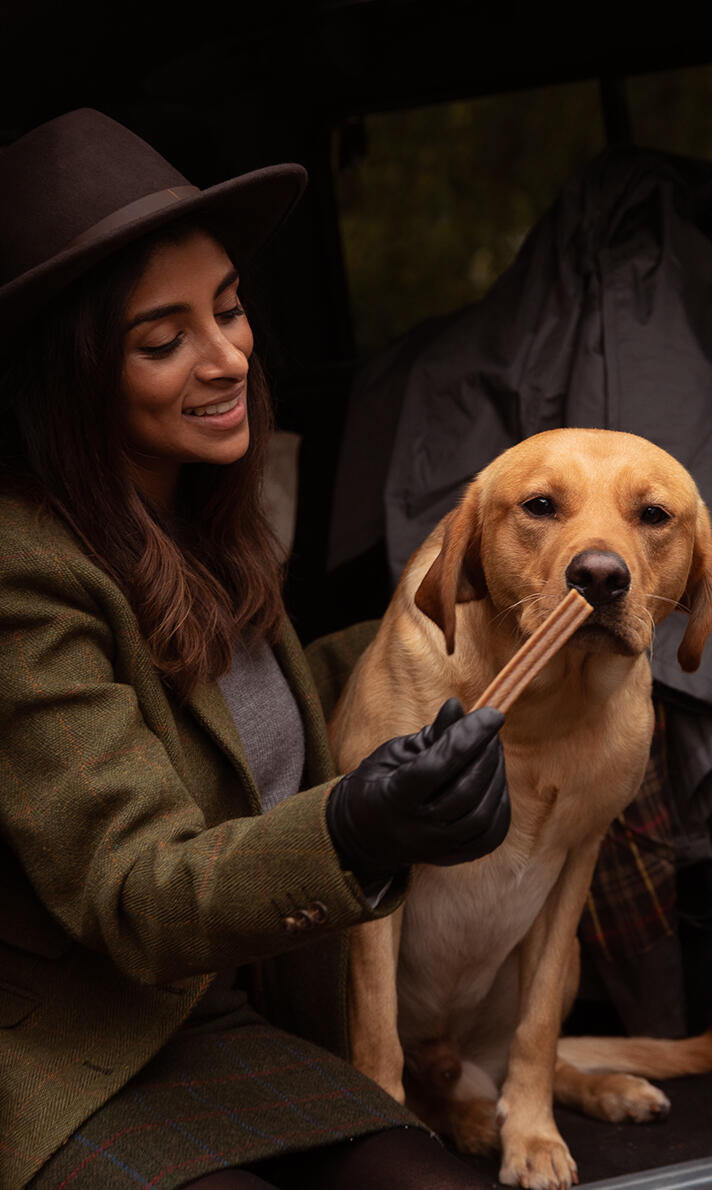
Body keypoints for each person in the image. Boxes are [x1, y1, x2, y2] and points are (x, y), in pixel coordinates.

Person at [0, 108, 510, 1190]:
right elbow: (135, 886)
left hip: (223, 1022)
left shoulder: (200, 511)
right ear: (71, 374)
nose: (228, 355)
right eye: (164, 338)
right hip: (72, 1057)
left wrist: (474, 625)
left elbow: (251, 717)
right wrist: (353, 820)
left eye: (229, 311)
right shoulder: (22, 568)